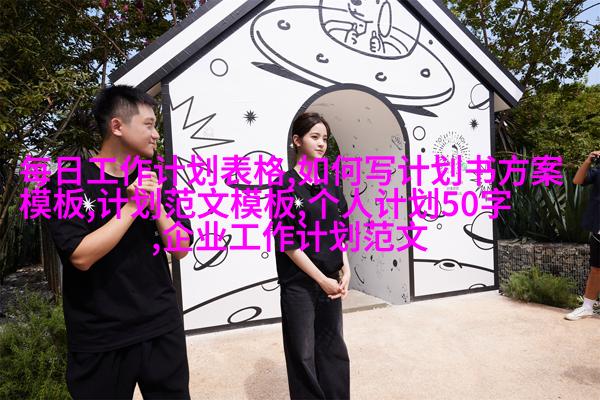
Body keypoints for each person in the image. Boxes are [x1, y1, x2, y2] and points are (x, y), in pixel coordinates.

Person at [45, 85, 193, 398]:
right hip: (100, 337)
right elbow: (80, 256)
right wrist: (131, 208)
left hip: (160, 326)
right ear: (117, 126)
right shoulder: (68, 182)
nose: (156, 135)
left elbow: (180, 248)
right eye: (149, 125)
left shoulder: (157, 178)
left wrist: (157, 207)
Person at [271, 112, 351, 399]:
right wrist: (320, 280)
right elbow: (288, 243)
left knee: (333, 348)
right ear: (297, 140)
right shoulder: (283, 185)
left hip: (330, 281)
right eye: (314, 137)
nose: (321, 144)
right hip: (300, 285)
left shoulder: (331, 182)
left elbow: (341, 227)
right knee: (302, 355)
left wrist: (345, 269)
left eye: (325, 138)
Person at [566, 151, 600, 320]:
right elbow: (577, 180)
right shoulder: (598, 171)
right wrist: (588, 161)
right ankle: (587, 307)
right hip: (599, 229)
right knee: (596, 269)